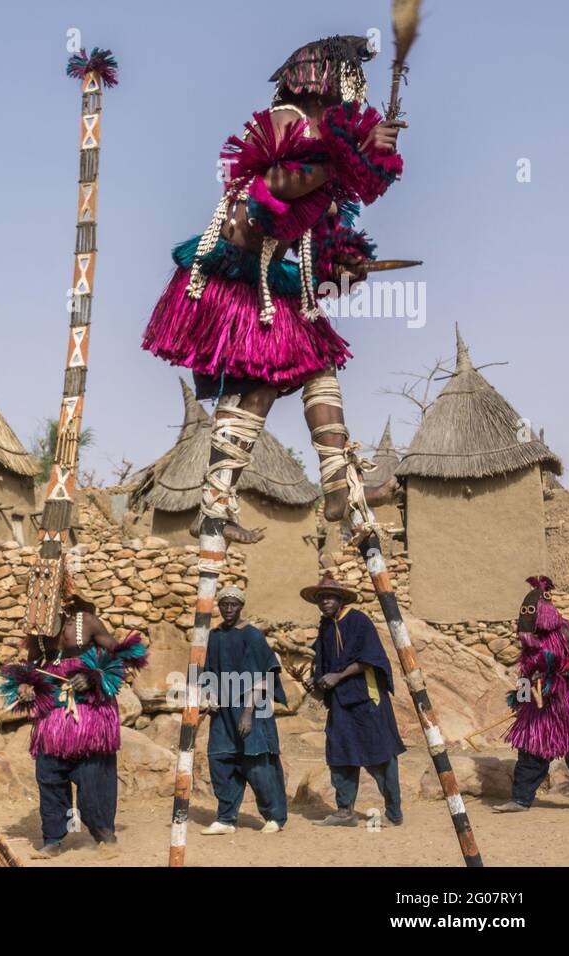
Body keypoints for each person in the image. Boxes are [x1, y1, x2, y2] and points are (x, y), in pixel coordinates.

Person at [142, 35, 404, 544]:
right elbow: (278, 190)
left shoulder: (323, 146)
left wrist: (348, 264)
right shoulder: (287, 121)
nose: (351, 105)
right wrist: (353, 154)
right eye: (345, 92)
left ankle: (333, 487)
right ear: (322, 83)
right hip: (231, 280)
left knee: (302, 370)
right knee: (256, 386)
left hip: (271, 286)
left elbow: (316, 247)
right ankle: (216, 505)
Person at [0, 583, 146, 855]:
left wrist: (93, 676)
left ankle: (104, 835)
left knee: (93, 780)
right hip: (53, 717)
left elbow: (122, 658)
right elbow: (33, 670)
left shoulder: (86, 623)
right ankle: (53, 838)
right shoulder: (38, 636)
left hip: (90, 714)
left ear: (61, 605)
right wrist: (27, 686)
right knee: (49, 774)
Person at [303, 574, 405, 827]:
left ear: (340, 598)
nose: (325, 601)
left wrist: (338, 676)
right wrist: (317, 683)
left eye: (330, 597)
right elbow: (322, 663)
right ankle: (344, 811)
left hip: (366, 699)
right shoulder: (325, 626)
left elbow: (371, 658)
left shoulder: (359, 621)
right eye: (321, 598)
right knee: (340, 753)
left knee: (380, 754)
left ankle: (393, 809)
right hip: (340, 703)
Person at [200, 585, 288, 835]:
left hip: (251, 706)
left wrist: (248, 713)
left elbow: (264, 675)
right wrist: (209, 698)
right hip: (223, 710)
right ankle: (226, 818)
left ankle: (274, 817)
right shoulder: (214, 636)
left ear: (241, 606)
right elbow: (209, 672)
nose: (229, 609)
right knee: (221, 759)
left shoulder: (252, 636)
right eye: (224, 604)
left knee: (257, 763)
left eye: (233, 604)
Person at [493, 576, 569, 813]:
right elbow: (528, 672)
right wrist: (522, 695)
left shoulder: (566, 634)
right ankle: (520, 800)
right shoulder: (532, 642)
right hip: (539, 712)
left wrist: (554, 682)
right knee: (531, 751)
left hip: (566, 709)